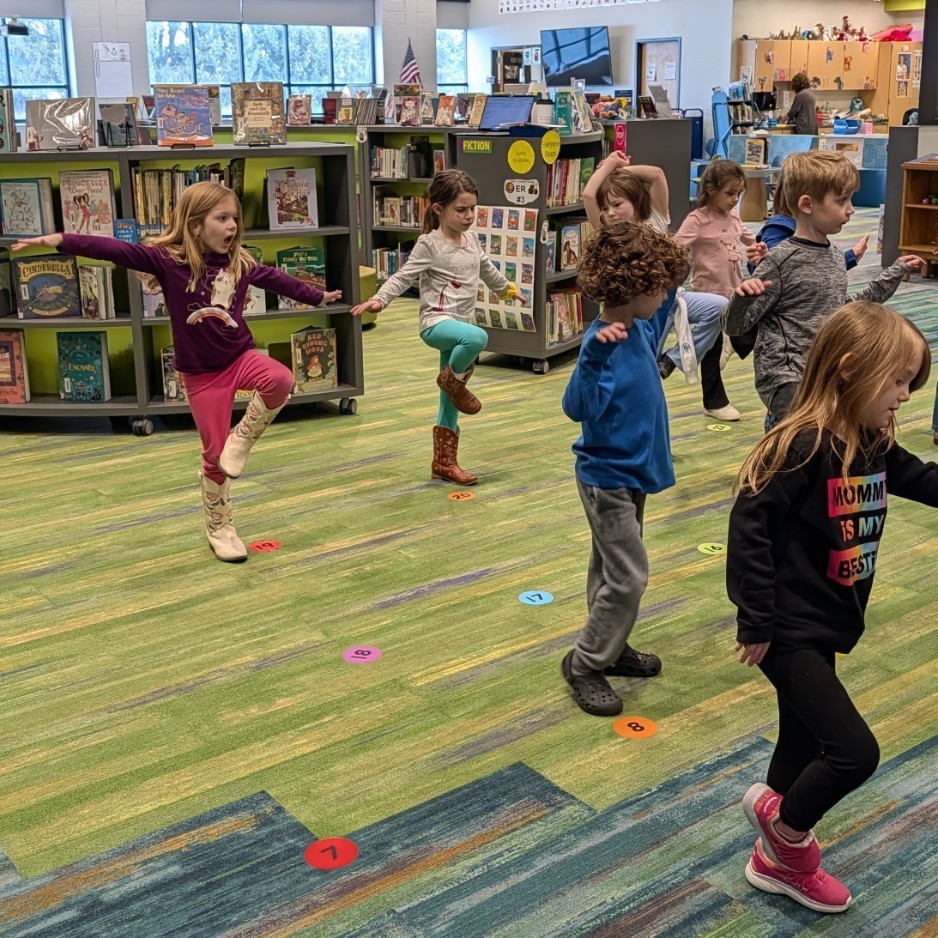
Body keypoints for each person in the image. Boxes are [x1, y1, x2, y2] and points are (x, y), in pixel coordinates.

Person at [727, 301, 938, 914]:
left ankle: (774, 820)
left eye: (910, 382)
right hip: (787, 628)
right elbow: (749, 528)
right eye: (897, 380)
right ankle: (786, 845)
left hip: (826, 621)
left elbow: (923, 479)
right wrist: (756, 618)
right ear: (850, 369)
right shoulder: (802, 444)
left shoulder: (869, 443)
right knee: (851, 752)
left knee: (800, 734)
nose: (904, 395)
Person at [13, 181, 342, 563]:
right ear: (196, 225)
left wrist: (318, 296)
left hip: (239, 357)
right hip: (201, 376)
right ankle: (220, 526)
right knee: (214, 456)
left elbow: (277, 279)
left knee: (282, 378)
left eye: (235, 218)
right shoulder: (169, 263)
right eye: (222, 218)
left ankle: (244, 438)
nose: (232, 226)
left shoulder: (241, 263)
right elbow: (115, 250)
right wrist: (59, 240)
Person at [560, 221, 690, 716]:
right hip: (606, 480)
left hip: (632, 477)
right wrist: (591, 358)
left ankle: (610, 647)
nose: (665, 296)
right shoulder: (603, 344)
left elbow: (675, 276)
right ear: (633, 289)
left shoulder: (644, 325)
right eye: (656, 287)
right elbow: (576, 408)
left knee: (610, 570)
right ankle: (586, 663)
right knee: (630, 576)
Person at [725, 150, 922, 431]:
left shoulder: (833, 258)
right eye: (842, 200)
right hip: (786, 379)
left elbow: (848, 312)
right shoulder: (780, 260)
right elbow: (737, 325)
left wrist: (893, 273)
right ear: (807, 204)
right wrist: (742, 298)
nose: (851, 209)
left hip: (822, 374)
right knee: (804, 442)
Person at [351, 169, 518, 486]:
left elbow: (486, 269)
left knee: (449, 404)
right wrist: (380, 299)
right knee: (479, 338)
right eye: (461, 210)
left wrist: (506, 290)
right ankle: (452, 382)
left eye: (472, 209)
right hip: (436, 324)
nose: (469, 216)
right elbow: (403, 276)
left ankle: (444, 462)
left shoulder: (471, 240)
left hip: (459, 330)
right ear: (439, 209)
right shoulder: (429, 244)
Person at [583, 150, 739, 422]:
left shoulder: (654, 219)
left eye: (617, 204)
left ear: (634, 199)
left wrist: (618, 171)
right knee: (642, 370)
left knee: (720, 308)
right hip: (639, 315)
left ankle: (672, 360)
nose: (610, 213)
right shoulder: (609, 233)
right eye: (605, 208)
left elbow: (655, 174)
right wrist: (608, 166)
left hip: (671, 301)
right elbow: (588, 195)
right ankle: (641, 423)